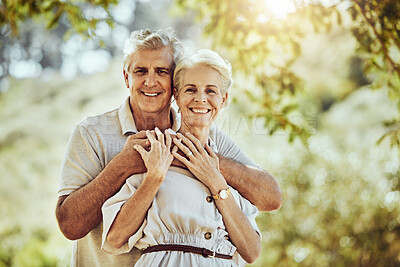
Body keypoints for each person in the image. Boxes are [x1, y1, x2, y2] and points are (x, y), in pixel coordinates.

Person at [56, 28, 281, 266]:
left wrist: (202, 161)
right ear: (126, 77)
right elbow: (70, 226)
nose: (150, 81)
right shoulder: (92, 133)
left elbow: (270, 198)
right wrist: (122, 167)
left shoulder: (207, 135)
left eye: (161, 71)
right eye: (140, 71)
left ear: (173, 84)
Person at [101, 48, 261, 266]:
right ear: (176, 95)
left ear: (223, 100)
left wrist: (216, 182)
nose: (200, 99)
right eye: (191, 90)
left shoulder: (228, 166)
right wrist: (155, 177)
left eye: (211, 91)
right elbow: (116, 237)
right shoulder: (155, 150)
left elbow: (252, 252)